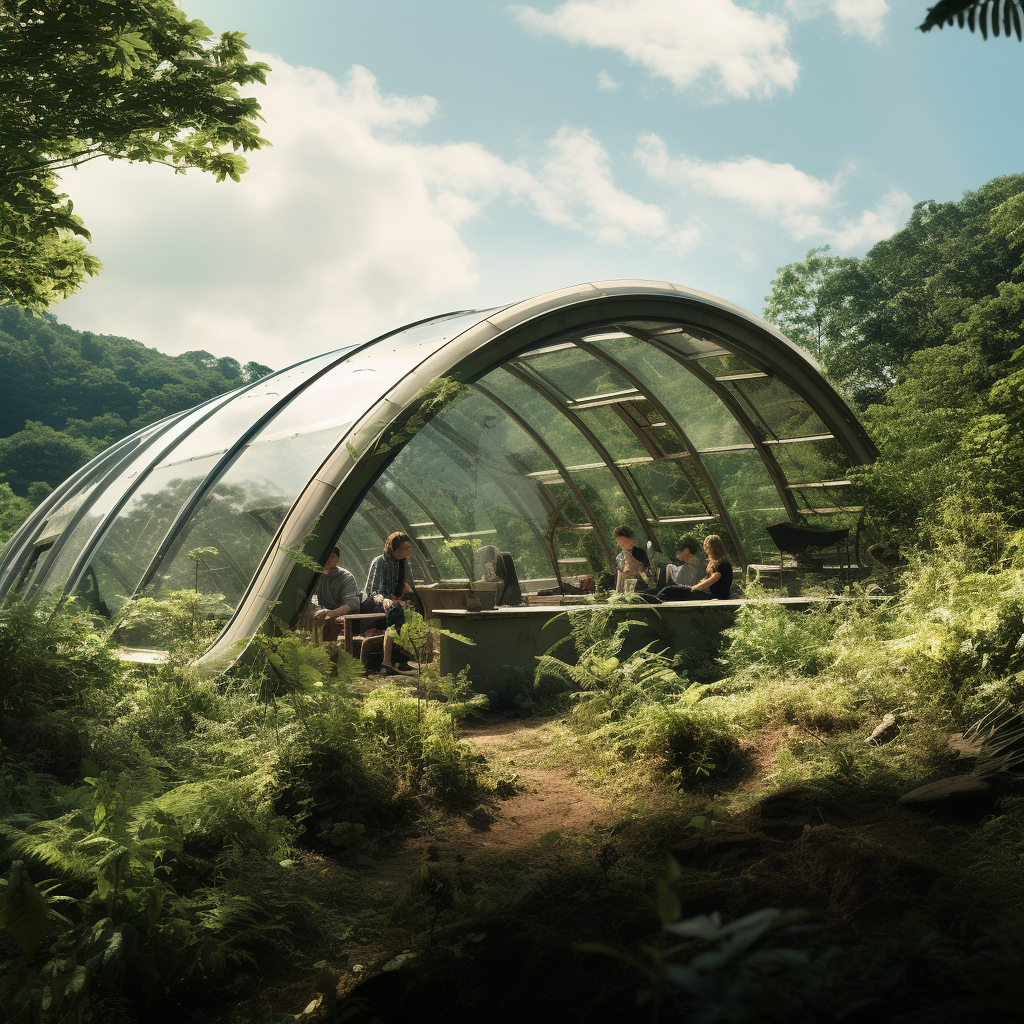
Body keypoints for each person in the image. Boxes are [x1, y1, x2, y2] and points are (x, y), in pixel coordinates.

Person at [364, 532, 417, 674]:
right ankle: (387, 662)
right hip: (374, 603)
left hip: (391, 602)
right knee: (395, 612)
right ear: (394, 549)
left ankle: (402, 659)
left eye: (408, 548)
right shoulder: (379, 562)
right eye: (405, 548)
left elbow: (401, 588)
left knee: (409, 611)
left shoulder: (402, 563)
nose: (408, 551)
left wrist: (400, 599)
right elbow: (372, 591)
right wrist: (385, 599)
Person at [657, 535, 733, 601]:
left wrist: (693, 589)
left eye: (707, 548)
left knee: (668, 591)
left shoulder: (723, 564)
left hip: (713, 595)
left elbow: (709, 582)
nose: (706, 551)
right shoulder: (719, 562)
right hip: (708, 593)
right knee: (669, 590)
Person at [311, 546, 360, 622]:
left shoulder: (346, 577)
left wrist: (331, 613)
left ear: (337, 560)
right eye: (327, 556)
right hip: (320, 615)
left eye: (332, 557)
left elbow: (351, 605)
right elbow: (311, 598)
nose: (329, 560)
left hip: (342, 618)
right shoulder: (315, 575)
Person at [613, 525, 652, 593]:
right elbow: (620, 576)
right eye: (619, 544)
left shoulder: (640, 553)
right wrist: (618, 591)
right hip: (627, 590)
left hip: (642, 589)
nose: (622, 545)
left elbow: (648, 574)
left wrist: (641, 571)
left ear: (631, 539)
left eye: (624, 542)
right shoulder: (620, 557)